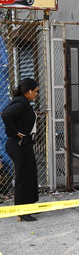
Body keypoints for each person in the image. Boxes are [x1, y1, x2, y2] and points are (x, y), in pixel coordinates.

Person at [1, 78, 39, 221]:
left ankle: (29, 206)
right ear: (28, 91)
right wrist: (13, 132)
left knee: (30, 174)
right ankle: (21, 212)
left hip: (24, 144)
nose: (36, 94)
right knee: (23, 177)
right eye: (35, 92)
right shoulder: (21, 103)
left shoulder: (23, 102)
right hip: (18, 144)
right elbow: (6, 114)